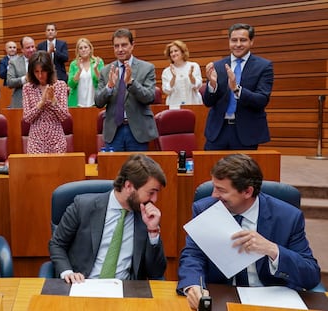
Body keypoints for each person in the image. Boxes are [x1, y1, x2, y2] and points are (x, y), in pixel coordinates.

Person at [177, 153, 321, 310]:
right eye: (214, 187)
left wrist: (273, 250)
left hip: (271, 301)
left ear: (247, 192)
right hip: (221, 297)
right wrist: (192, 285)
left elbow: (311, 275)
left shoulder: (288, 217)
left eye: (221, 190)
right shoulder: (205, 209)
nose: (213, 195)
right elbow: (193, 255)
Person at [50, 153, 167, 283]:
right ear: (128, 186)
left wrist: (153, 230)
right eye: (151, 193)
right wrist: (67, 272)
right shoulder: (83, 206)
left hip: (126, 292)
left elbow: (156, 273)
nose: (154, 200)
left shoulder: (146, 218)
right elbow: (57, 244)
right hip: (82, 285)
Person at [203, 23, 274, 150]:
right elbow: (208, 102)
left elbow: (262, 100)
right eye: (234, 40)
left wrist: (236, 89)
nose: (238, 44)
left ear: (251, 41)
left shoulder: (264, 66)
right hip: (218, 132)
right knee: (211, 169)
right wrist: (212, 86)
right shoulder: (218, 66)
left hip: (246, 132)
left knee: (242, 170)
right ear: (229, 41)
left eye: (243, 40)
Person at [95, 28, 158, 152]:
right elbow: (98, 102)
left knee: (137, 170)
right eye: (116, 46)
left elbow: (150, 97)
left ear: (132, 45)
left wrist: (131, 83)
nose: (120, 49)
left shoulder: (147, 68)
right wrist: (109, 87)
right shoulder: (106, 71)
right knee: (113, 170)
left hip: (137, 131)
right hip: (114, 131)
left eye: (124, 45)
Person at [22, 50, 70, 153]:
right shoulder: (28, 88)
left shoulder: (60, 85)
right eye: (36, 72)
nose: (40, 75)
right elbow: (27, 117)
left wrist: (53, 101)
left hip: (56, 140)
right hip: (36, 142)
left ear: (49, 70)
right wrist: (41, 103)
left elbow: (64, 116)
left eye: (43, 71)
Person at [161, 40, 203, 107]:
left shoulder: (194, 66)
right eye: (171, 52)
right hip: (174, 106)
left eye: (176, 51)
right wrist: (173, 78)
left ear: (183, 52)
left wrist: (191, 77)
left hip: (193, 103)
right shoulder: (166, 71)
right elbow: (166, 91)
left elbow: (198, 86)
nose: (173, 54)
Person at [67, 38, 104, 107]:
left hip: (94, 103)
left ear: (90, 49)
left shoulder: (98, 62)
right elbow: (71, 84)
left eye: (85, 47)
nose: (83, 50)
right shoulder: (74, 64)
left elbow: (101, 82)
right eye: (80, 48)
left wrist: (95, 69)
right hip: (77, 104)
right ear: (78, 51)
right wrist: (79, 71)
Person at [7, 36, 36, 108]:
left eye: (32, 46)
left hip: (39, 100)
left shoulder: (42, 60)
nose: (31, 50)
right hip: (20, 101)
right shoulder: (14, 62)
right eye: (28, 48)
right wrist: (24, 79)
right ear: (22, 49)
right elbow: (10, 82)